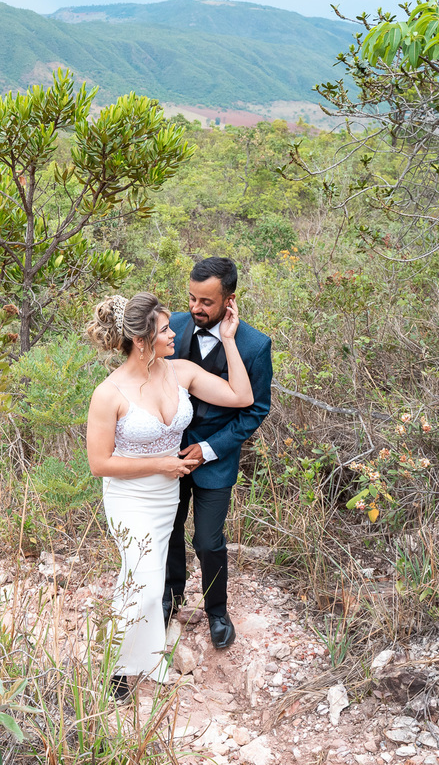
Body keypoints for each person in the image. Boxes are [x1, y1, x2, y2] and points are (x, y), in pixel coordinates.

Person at [85, 292, 253, 700]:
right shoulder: (108, 394)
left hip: (165, 497)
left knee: (149, 576)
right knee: (142, 579)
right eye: (165, 329)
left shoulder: (181, 371)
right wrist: (161, 464)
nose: (175, 333)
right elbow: (99, 463)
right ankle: (117, 670)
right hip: (129, 496)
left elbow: (242, 397)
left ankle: (145, 656)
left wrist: (229, 339)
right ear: (141, 340)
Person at [164, 257, 273, 650]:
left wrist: (208, 449)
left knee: (209, 541)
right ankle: (170, 599)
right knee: (169, 531)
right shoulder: (171, 326)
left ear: (230, 299)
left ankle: (216, 610)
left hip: (216, 457)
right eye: (192, 298)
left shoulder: (255, 345)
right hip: (168, 456)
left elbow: (255, 409)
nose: (196, 308)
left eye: (206, 301)